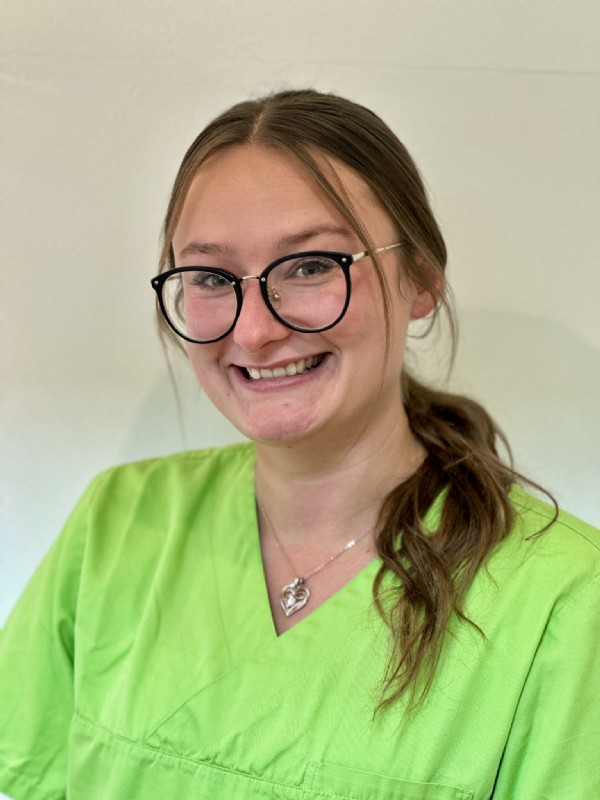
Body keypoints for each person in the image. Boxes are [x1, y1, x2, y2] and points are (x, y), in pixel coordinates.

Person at [0, 89, 598, 800]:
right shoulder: (118, 523)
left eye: (311, 265)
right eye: (212, 278)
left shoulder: (564, 598)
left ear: (420, 280)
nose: (254, 330)